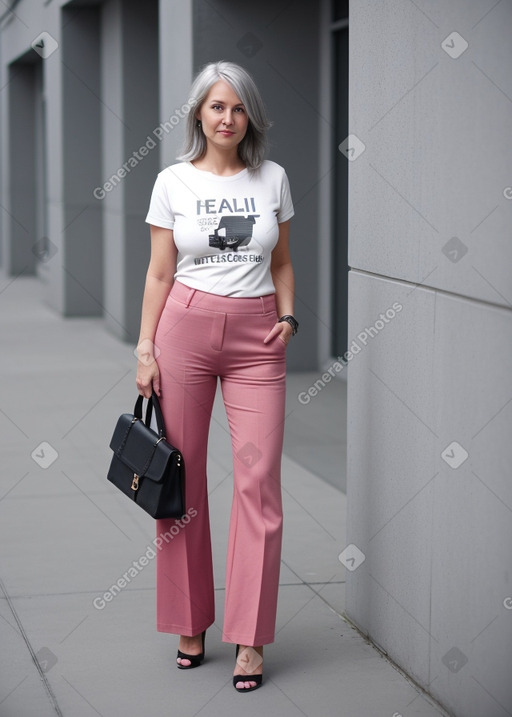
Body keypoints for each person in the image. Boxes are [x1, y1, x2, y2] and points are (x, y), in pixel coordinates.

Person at [136, 60, 298, 693]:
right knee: (180, 479)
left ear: (249, 114)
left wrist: (288, 315)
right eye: (215, 107)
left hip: (259, 338)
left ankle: (250, 636)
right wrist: (145, 348)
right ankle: (188, 619)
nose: (227, 118)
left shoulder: (273, 178)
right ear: (198, 115)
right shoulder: (171, 181)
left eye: (237, 107)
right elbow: (158, 273)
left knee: (258, 482)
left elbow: (281, 260)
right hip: (185, 331)